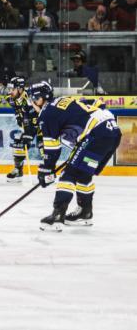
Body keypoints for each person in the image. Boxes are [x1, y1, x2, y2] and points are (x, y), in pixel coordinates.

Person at [29, 81, 121, 230]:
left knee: (69, 174)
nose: (32, 103)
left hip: (96, 135)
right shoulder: (64, 100)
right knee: (83, 174)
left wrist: (46, 169)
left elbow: (52, 149)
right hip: (113, 133)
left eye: (33, 99)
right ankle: (85, 212)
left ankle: (58, 216)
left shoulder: (46, 114)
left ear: (40, 99)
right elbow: (98, 103)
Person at [2, 77, 40, 182]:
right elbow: (9, 101)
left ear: (20, 89)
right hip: (27, 125)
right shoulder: (11, 98)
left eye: (12, 89)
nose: (10, 92)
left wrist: (28, 133)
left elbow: (35, 117)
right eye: (9, 89)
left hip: (40, 125)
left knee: (43, 147)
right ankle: (18, 170)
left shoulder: (29, 99)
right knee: (18, 143)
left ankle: (49, 171)